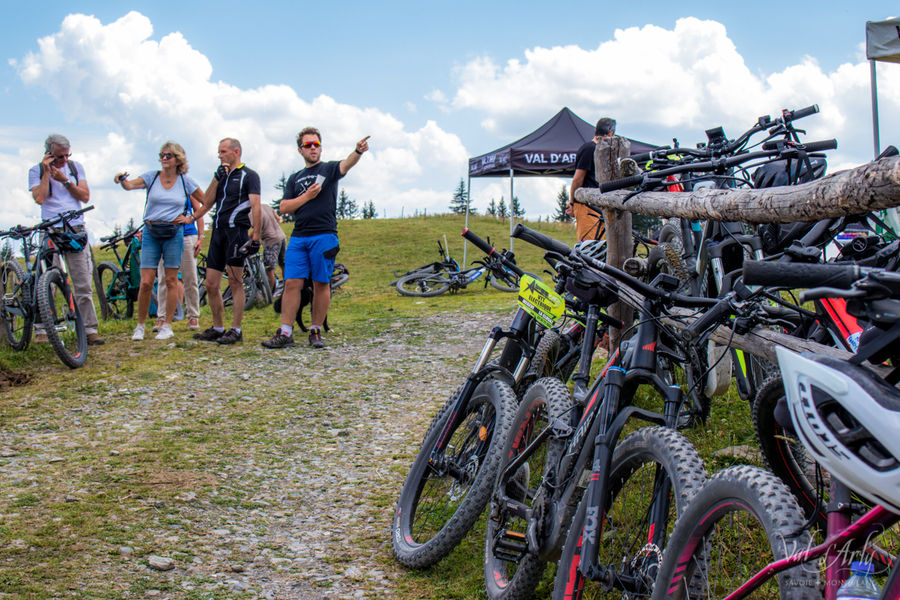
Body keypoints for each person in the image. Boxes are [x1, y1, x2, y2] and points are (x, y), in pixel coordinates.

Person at [262, 128, 369, 349]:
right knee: (291, 283)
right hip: (299, 237)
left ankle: (316, 330)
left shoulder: (329, 169)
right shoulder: (295, 178)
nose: (313, 148)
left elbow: (346, 164)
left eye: (316, 144)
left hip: (324, 234)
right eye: (308, 144)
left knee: (321, 283)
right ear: (300, 150)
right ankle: (285, 332)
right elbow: (284, 207)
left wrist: (358, 151)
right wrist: (307, 196)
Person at [114, 142, 200, 340]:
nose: (164, 158)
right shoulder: (151, 177)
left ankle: (167, 325)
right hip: (151, 231)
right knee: (146, 282)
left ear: (178, 159)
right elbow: (130, 186)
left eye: (168, 155)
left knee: (171, 280)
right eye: (162, 155)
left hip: (174, 233)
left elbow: (205, 201)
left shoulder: (185, 181)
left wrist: (191, 219)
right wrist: (121, 180)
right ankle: (140, 326)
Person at [28, 134, 104, 346]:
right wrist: (46, 173)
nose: (64, 160)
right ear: (48, 154)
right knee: (45, 281)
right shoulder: (35, 171)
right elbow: (40, 198)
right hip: (50, 229)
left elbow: (85, 196)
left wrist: (65, 180)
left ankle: (89, 329)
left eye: (66, 156)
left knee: (82, 281)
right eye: (59, 157)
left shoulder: (75, 168)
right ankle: (43, 329)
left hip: (74, 228)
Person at [189, 138, 261, 344]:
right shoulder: (222, 176)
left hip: (236, 232)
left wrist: (256, 236)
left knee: (235, 281)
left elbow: (256, 206)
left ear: (235, 152)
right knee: (211, 283)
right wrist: (216, 178)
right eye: (219, 152)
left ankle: (236, 330)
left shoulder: (249, 175)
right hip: (218, 232)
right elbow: (207, 201)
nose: (219, 155)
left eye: (223, 152)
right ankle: (218, 327)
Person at [154, 173, 204, 332]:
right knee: (163, 278)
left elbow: (199, 211)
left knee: (190, 277)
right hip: (165, 236)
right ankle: (161, 317)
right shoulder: (159, 188)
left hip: (187, 235)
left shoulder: (187, 186)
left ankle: (193, 316)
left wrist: (200, 237)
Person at [567, 117, 616, 242]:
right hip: (587, 205)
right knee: (588, 244)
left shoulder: (602, 150)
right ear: (611, 133)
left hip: (599, 204)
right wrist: (572, 202)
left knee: (598, 243)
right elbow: (577, 179)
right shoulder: (589, 149)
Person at [258, 204, 286, 292]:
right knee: (283, 263)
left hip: (271, 240)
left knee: (269, 268)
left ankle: (270, 292)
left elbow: (257, 228)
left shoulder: (251, 212)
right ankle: (286, 287)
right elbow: (278, 218)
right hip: (281, 236)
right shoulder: (267, 206)